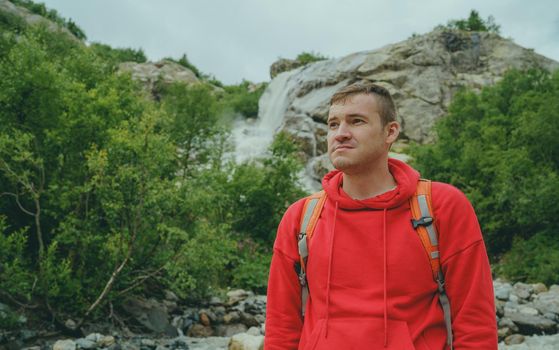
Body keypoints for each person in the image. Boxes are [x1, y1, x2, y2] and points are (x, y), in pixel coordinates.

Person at [264, 82, 497, 349]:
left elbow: (475, 322)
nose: (340, 133)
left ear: (390, 132)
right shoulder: (301, 217)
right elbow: (281, 327)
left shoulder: (441, 206)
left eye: (356, 121)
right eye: (332, 124)